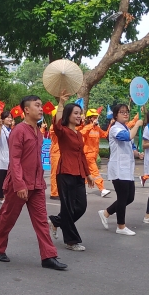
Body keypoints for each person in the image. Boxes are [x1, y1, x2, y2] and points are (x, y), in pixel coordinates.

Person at [0, 96, 67, 270]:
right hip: (19, 185)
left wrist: (61, 103)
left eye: (41, 106)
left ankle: (49, 256)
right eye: (37, 106)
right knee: (7, 218)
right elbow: (15, 160)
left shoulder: (38, 132)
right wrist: (19, 184)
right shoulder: (19, 130)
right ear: (26, 110)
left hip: (37, 185)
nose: (41, 109)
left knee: (41, 221)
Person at [49, 98, 94, 251]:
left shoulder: (79, 134)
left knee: (81, 206)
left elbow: (82, 155)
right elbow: (56, 123)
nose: (79, 116)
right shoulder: (62, 131)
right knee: (67, 208)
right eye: (75, 113)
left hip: (79, 174)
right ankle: (71, 241)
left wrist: (88, 174)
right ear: (68, 115)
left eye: (80, 113)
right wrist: (61, 103)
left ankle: (56, 221)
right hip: (65, 172)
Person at [97, 104, 144, 235]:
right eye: (122, 112)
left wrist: (138, 154)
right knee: (123, 198)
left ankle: (106, 213)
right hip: (118, 168)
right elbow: (126, 137)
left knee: (130, 198)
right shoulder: (114, 129)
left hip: (127, 169)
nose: (125, 114)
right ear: (116, 115)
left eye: (127, 112)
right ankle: (121, 226)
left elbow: (131, 146)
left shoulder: (125, 128)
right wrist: (137, 125)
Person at [80, 108, 111, 198]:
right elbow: (82, 133)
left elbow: (105, 135)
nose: (96, 119)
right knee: (95, 172)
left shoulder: (97, 128)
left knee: (87, 173)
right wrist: (91, 126)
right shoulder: (86, 128)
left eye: (97, 117)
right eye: (94, 117)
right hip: (87, 155)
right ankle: (102, 189)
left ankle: (81, 189)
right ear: (90, 118)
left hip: (94, 155)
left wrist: (110, 125)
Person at [0, 112, 13, 203]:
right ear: (3, 119)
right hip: (2, 158)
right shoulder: (0, 129)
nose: (10, 119)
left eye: (11, 118)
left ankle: (9, 195)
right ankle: (1, 197)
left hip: (11, 158)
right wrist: (0, 126)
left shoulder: (11, 130)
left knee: (10, 179)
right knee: (2, 178)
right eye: (7, 118)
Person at [48, 121, 60, 200]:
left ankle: (59, 192)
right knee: (55, 174)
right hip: (56, 153)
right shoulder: (53, 127)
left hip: (63, 153)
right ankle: (54, 193)